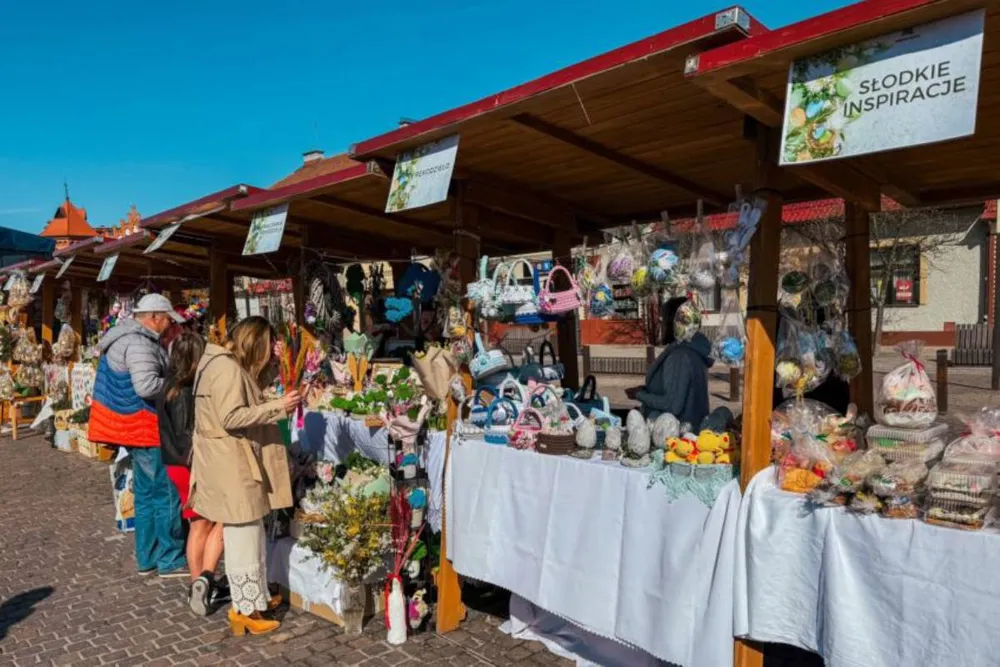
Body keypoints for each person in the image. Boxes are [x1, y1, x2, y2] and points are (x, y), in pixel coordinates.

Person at [190, 316, 300, 636]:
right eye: (265, 349)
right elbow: (231, 415)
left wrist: (276, 373)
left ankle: (254, 598)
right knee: (243, 537)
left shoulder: (221, 363)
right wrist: (278, 405)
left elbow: (245, 393)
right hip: (230, 461)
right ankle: (245, 608)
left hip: (227, 459)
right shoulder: (224, 367)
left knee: (250, 533)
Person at [89, 293, 188, 577]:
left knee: (145, 493)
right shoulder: (139, 343)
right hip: (145, 428)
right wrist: (178, 386)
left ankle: (147, 557)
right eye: (168, 319)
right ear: (154, 317)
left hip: (133, 429)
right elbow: (146, 386)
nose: (170, 326)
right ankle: (170, 558)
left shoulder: (125, 338)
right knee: (165, 492)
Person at [157, 331, 228, 615]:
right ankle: (204, 580)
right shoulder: (184, 392)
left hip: (174, 462)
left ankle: (197, 582)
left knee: (198, 524)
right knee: (211, 522)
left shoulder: (168, 386)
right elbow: (188, 436)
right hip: (189, 465)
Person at [636, 296, 713, 428]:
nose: (661, 325)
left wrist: (640, 395)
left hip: (677, 436)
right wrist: (648, 391)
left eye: (664, 320)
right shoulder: (692, 350)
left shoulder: (681, 356)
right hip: (687, 431)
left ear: (675, 323)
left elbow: (672, 405)